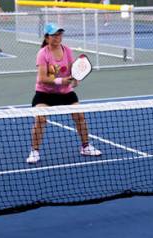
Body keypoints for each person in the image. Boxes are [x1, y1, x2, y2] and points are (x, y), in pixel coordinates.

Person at [26, 23, 102, 164]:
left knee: (80, 116)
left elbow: (72, 71)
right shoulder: (43, 53)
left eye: (59, 34)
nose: (57, 37)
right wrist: (61, 81)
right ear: (47, 37)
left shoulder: (67, 50)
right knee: (40, 119)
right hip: (44, 93)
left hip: (65, 93)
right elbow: (43, 78)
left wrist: (75, 80)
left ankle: (85, 146)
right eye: (54, 35)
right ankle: (34, 151)